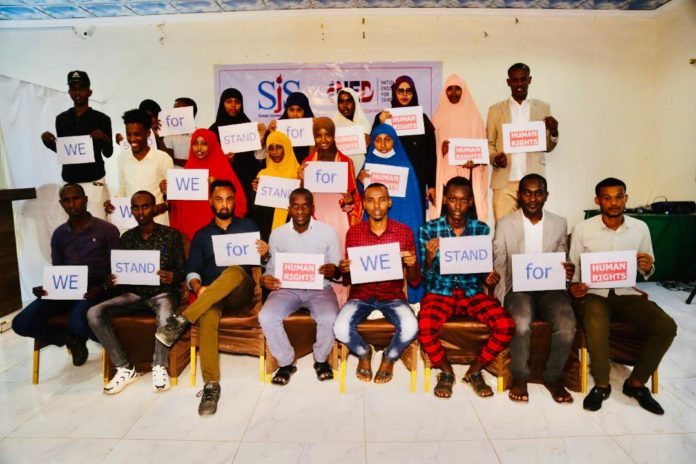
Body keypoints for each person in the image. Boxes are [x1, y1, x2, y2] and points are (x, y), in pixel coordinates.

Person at [155, 180, 268, 415]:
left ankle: (182, 320)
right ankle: (211, 385)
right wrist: (197, 287)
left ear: (234, 201)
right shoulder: (202, 235)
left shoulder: (248, 226)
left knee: (235, 270)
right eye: (219, 199)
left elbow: (261, 265)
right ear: (210, 201)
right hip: (210, 296)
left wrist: (265, 254)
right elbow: (192, 270)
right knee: (206, 315)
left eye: (229, 199)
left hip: (240, 292)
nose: (224, 204)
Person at [569, 177, 677, 415]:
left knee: (667, 326)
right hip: (595, 294)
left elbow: (647, 268)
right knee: (596, 322)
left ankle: (636, 383)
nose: (614, 202)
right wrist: (574, 287)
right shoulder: (582, 229)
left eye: (619, 196)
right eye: (607, 198)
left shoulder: (640, 228)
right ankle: (601, 385)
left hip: (627, 293)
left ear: (626, 198)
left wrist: (648, 267)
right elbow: (574, 269)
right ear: (598, 201)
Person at [418, 176, 514, 399]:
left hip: (471, 290)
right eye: (452, 199)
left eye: (463, 200)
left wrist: (489, 276)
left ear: (471, 202)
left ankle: (475, 370)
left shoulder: (480, 229)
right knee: (424, 326)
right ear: (445, 201)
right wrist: (430, 258)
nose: (458, 205)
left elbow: (481, 268)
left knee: (505, 324)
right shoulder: (429, 229)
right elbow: (425, 276)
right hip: (441, 290)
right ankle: (446, 371)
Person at [87, 190, 185, 395]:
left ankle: (159, 366)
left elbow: (182, 270)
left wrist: (173, 277)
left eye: (145, 206)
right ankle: (124, 367)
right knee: (94, 312)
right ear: (131, 210)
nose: (141, 211)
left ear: (155, 208)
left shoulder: (171, 235)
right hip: (134, 294)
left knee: (167, 311)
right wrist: (112, 282)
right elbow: (122, 272)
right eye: (136, 207)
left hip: (163, 293)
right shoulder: (127, 237)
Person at [12, 183, 120, 366]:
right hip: (68, 291)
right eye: (67, 200)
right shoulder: (59, 235)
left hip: (98, 290)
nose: (72, 204)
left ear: (84, 200)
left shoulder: (107, 230)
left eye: (76, 198)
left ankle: (119, 349)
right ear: (62, 204)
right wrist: (48, 287)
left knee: (77, 320)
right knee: (21, 323)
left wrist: (101, 287)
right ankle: (71, 340)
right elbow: (58, 270)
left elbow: (117, 271)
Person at [492, 174, 576, 403]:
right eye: (527, 193)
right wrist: (500, 297)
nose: (532, 198)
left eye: (538, 192)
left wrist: (568, 272)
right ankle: (519, 376)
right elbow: (498, 262)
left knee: (567, 324)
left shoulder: (559, 223)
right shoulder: (505, 223)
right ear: (519, 195)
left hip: (550, 288)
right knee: (520, 322)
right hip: (517, 288)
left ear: (546, 195)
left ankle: (553, 377)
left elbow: (563, 260)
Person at [334, 183, 420, 384]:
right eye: (370, 200)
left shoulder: (404, 232)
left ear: (389, 202)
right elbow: (348, 280)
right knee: (339, 328)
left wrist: (413, 264)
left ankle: (389, 357)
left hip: (392, 295)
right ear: (364, 204)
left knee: (411, 326)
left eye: (382, 199)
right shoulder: (353, 233)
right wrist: (344, 270)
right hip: (361, 295)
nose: (377, 206)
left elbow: (415, 281)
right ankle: (364, 353)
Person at [259, 188, 341, 386]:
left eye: (305, 206)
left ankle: (321, 360)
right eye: (295, 206)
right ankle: (286, 362)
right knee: (266, 316)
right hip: (287, 288)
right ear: (289, 209)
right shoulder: (277, 234)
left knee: (329, 317)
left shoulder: (328, 232)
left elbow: (339, 271)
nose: (300, 211)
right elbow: (270, 269)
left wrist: (334, 271)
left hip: (320, 288)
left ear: (312, 208)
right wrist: (265, 279)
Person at [359, 124, 424, 302]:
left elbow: (413, 202)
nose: (383, 144)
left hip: (403, 220)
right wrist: (360, 182)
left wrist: (411, 225)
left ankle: (412, 300)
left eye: (387, 140)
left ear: (394, 142)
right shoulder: (368, 166)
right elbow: (362, 198)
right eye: (378, 140)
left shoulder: (406, 166)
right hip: (376, 223)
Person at [301, 117, 363, 305]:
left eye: (328, 135)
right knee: (319, 260)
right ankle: (319, 302)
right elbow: (302, 197)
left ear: (334, 136)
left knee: (339, 262)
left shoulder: (346, 161)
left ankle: (343, 302)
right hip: (316, 220)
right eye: (319, 136)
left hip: (339, 221)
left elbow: (355, 198)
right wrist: (302, 179)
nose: (324, 140)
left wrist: (349, 202)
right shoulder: (307, 163)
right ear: (314, 138)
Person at [487, 63, 559, 220]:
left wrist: (553, 132)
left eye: (523, 79)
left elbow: (547, 146)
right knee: (504, 232)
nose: (519, 84)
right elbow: (490, 143)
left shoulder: (543, 108)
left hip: (533, 182)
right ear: (508, 82)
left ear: (530, 80)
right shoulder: (495, 110)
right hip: (504, 183)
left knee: (531, 230)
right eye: (515, 80)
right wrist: (495, 158)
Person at [40, 71, 113, 220]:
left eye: (82, 88)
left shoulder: (102, 119)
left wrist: (104, 137)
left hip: (94, 183)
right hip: (70, 184)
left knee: (98, 227)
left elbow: (108, 152)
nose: (77, 92)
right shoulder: (61, 119)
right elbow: (66, 152)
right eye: (74, 88)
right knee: (72, 230)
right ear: (69, 92)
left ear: (89, 91)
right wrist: (49, 143)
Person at [166, 128, 247, 241]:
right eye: (195, 143)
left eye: (204, 144)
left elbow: (239, 202)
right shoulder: (188, 170)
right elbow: (178, 206)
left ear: (212, 145)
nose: (199, 148)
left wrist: (217, 186)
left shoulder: (223, 169)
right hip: (190, 231)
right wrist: (169, 191)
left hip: (217, 232)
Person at [372, 75, 436, 213]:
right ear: (394, 93)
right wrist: (381, 125)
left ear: (414, 93)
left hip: (416, 179)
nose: (405, 95)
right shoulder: (382, 117)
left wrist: (432, 185)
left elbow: (431, 155)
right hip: (391, 178)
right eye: (400, 91)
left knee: (414, 216)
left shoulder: (422, 119)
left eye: (409, 91)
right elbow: (373, 149)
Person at [433, 74, 489, 222]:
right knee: (447, 217)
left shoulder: (474, 117)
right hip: (445, 177)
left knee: (469, 218)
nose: (453, 93)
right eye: (449, 89)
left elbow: (483, 149)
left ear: (464, 91)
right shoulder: (437, 118)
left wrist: (476, 160)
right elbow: (431, 150)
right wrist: (441, 149)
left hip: (470, 176)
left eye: (457, 89)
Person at [105, 109, 173, 225]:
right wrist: (113, 203)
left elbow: (173, 195)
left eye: (137, 134)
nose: (132, 139)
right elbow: (123, 190)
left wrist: (164, 205)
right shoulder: (122, 158)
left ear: (148, 133)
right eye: (129, 134)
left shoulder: (163, 158)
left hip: (158, 221)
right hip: (132, 222)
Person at [209, 88, 265, 203]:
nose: (233, 105)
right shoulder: (213, 131)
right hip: (223, 181)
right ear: (222, 103)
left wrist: (262, 138)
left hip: (247, 181)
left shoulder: (249, 127)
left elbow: (258, 157)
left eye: (237, 102)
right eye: (229, 101)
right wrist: (225, 160)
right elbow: (209, 160)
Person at [251, 131, 301, 241]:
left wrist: (303, 183)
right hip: (267, 234)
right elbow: (254, 211)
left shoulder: (299, 173)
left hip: (294, 233)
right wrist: (254, 192)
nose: (274, 152)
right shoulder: (263, 174)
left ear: (287, 148)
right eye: (271, 148)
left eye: (279, 147)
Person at [331, 88, 371, 174]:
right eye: (341, 102)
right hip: (339, 171)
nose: (345, 105)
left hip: (362, 171)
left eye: (349, 101)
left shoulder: (365, 124)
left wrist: (369, 145)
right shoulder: (332, 125)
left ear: (355, 103)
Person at [267, 91, 315, 164]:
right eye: (291, 110)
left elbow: (314, 158)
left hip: (305, 169)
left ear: (305, 111)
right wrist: (272, 135)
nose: (295, 114)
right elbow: (272, 157)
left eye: (299, 110)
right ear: (287, 110)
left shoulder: (312, 126)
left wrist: (315, 132)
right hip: (283, 171)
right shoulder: (278, 127)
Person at [162, 97, 198, 166]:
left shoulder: (200, 134)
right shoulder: (169, 135)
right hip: (173, 175)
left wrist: (175, 160)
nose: (174, 114)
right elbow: (168, 159)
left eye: (178, 111)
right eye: (173, 110)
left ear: (191, 113)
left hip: (196, 175)